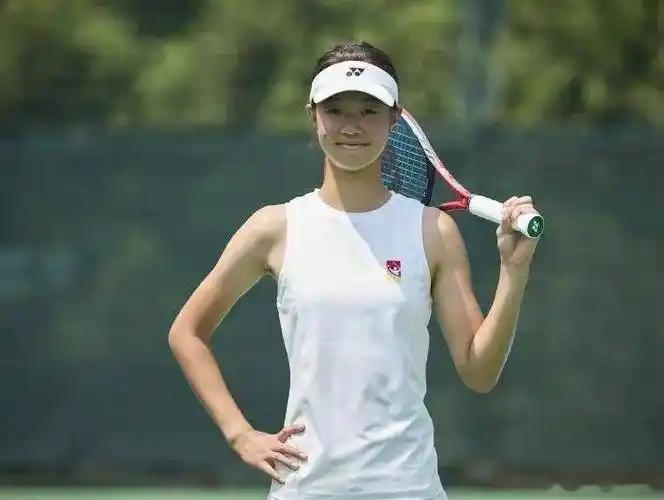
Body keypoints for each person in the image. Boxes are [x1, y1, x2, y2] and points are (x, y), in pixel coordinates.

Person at [168, 41, 540, 500]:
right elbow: (187, 332)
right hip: (305, 488)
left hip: (408, 488)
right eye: (336, 110)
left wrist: (513, 273)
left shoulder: (433, 231)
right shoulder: (274, 227)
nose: (351, 126)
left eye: (368, 111)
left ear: (393, 118)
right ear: (313, 116)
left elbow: (479, 372)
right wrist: (239, 433)